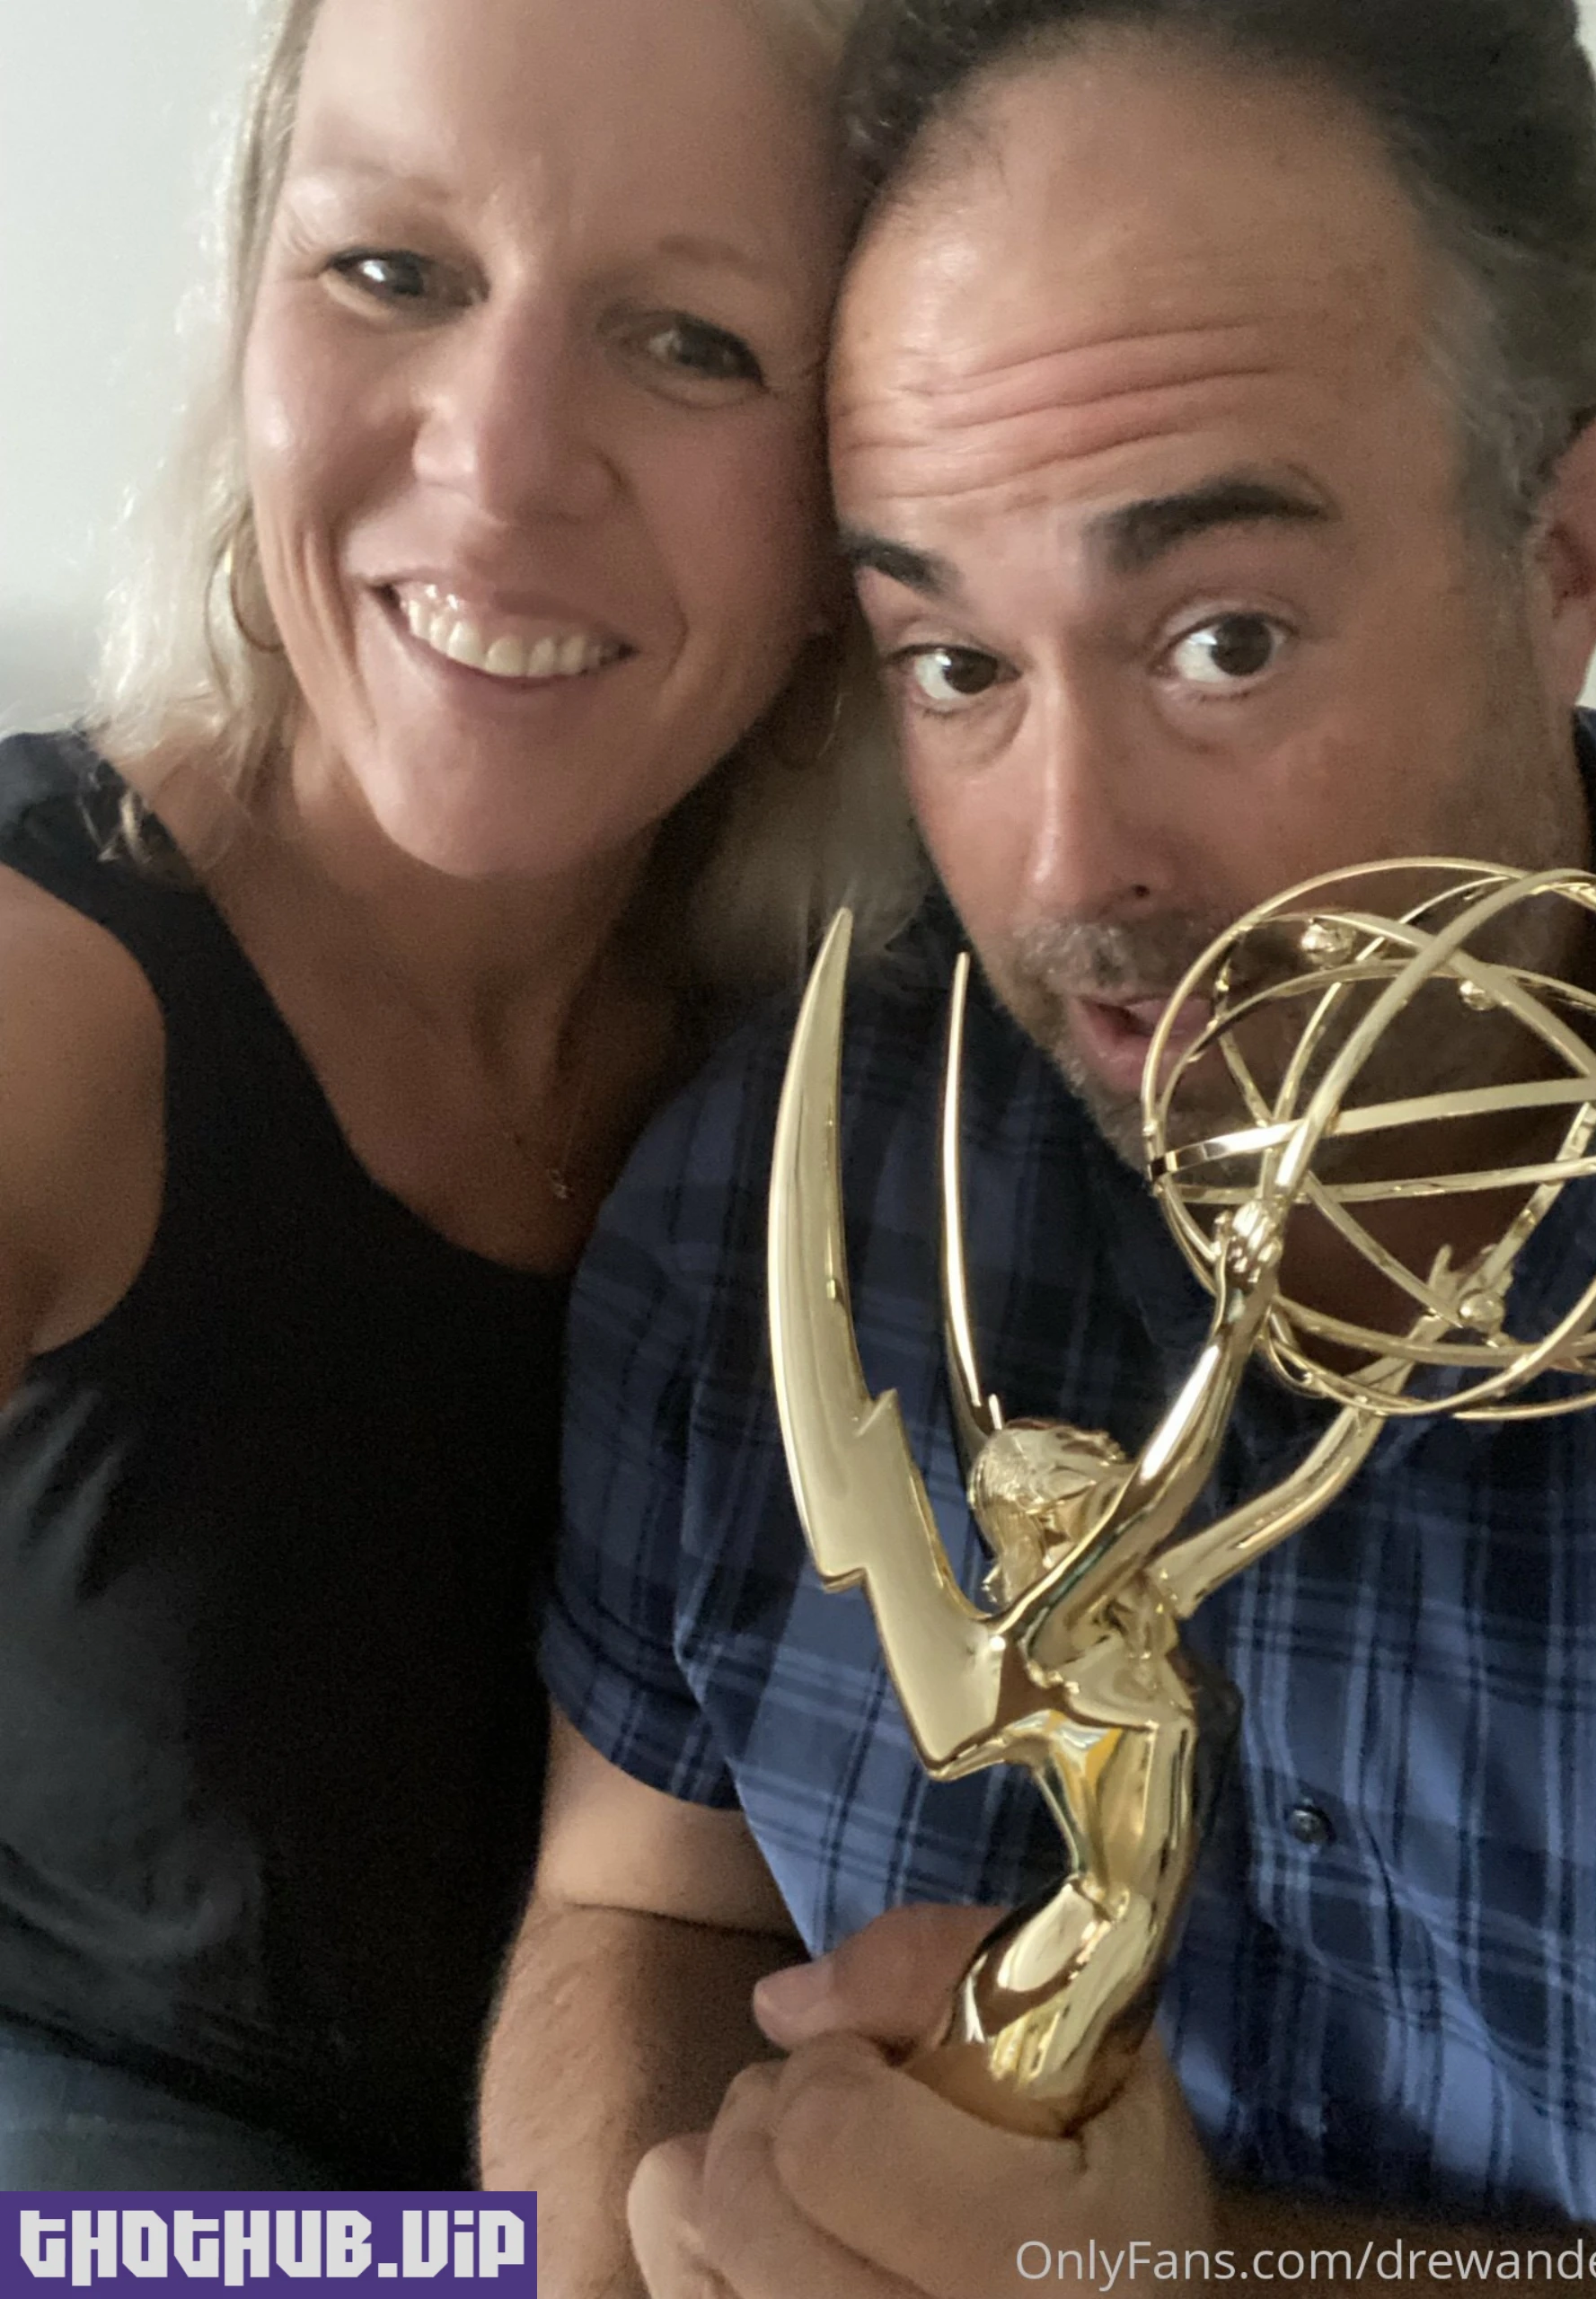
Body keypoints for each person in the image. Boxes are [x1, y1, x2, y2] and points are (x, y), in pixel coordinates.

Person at [481, 0, 1596, 2288]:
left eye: (1222, 638)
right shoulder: (782, 1202)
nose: (1066, 866)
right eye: (953, 660)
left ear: (1567, 552)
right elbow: (640, 1899)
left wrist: (1217, 2270)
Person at [0, 0, 917, 2192]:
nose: (500, 467)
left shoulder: (880, 1042)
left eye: (689, 341)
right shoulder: (50, 1004)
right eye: (392, 270)